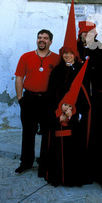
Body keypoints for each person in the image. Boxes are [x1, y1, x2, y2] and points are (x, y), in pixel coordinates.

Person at [14, 29, 60, 174]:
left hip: (48, 100)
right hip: (29, 99)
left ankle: (45, 164)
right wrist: (20, 98)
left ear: (50, 42)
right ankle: (26, 162)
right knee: (28, 132)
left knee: (47, 133)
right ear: (36, 40)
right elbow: (19, 78)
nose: (42, 40)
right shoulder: (26, 57)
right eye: (39, 37)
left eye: (45, 38)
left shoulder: (57, 59)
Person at [46, 59, 90, 186]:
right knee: (57, 160)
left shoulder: (75, 112)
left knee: (71, 160)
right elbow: (52, 122)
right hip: (58, 143)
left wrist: (71, 117)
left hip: (71, 142)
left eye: (69, 106)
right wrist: (60, 118)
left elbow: (78, 126)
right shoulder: (57, 109)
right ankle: (57, 178)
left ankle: (71, 180)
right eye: (65, 105)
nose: (66, 108)